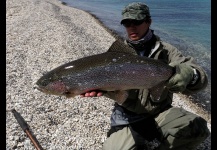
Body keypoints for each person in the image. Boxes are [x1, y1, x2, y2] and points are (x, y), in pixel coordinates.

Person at [80, 2, 210, 150]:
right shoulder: (116, 55)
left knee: (198, 129)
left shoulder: (166, 51)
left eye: (137, 22)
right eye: (127, 23)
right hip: (128, 117)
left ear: (148, 21)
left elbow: (200, 76)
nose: (132, 27)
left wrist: (190, 75)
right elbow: (116, 92)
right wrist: (103, 90)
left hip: (160, 112)